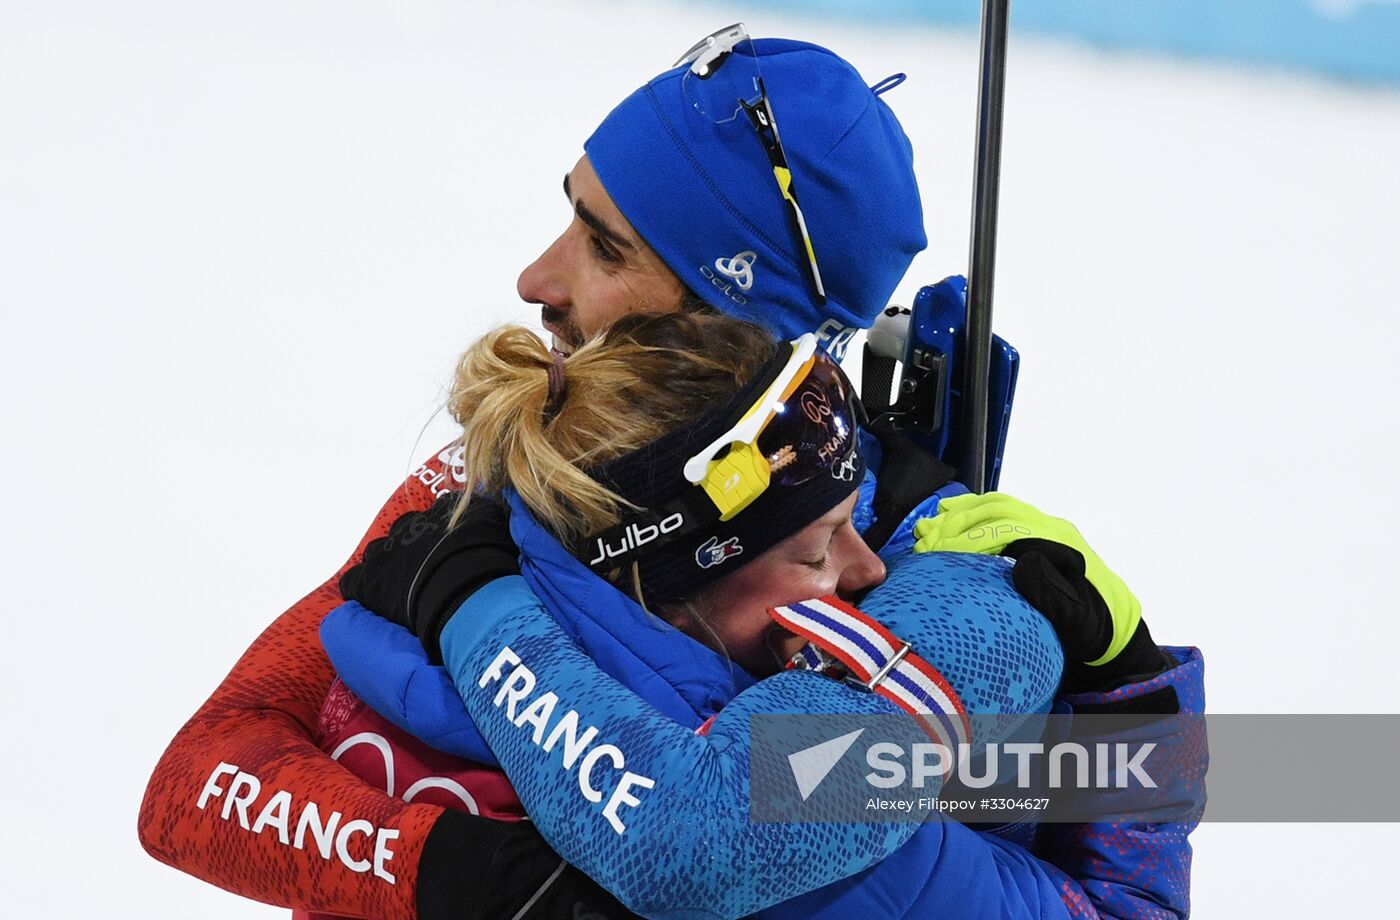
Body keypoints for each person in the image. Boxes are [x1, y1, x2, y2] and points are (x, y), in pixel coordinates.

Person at [138, 26, 1203, 920]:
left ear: (731, 316)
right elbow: (195, 784)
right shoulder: (508, 470)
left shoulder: (937, 577)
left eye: (605, 249)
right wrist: (480, 878)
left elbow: (697, 835)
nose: (535, 278)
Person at [321, 311, 1194, 920]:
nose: (871, 568)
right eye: (817, 549)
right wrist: (1132, 693)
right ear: (662, 576)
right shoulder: (767, 811)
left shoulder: (421, 664)